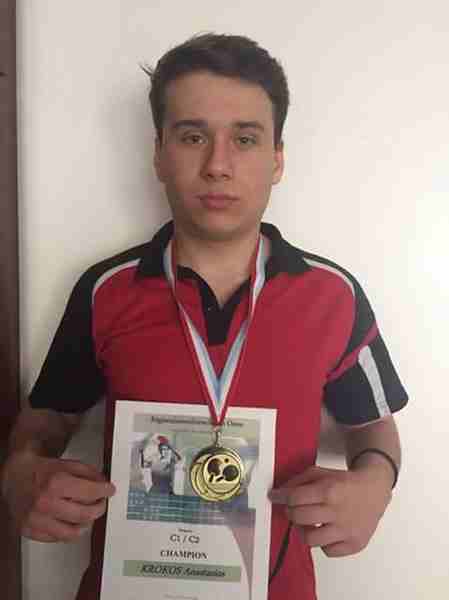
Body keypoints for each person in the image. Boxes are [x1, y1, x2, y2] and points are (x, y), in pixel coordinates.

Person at [0, 33, 408, 599]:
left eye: (245, 138)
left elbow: (372, 427)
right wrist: (20, 471)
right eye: (193, 137)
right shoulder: (105, 290)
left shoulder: (332, 296)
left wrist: (375, 486)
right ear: (159, 154)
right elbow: (47, 419)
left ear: (277, 159)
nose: (218, 165)